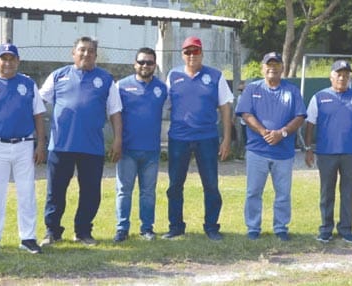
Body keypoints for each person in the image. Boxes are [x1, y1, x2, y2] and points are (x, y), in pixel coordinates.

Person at [39, 36, 122, 246]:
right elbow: (38, 102)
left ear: (96, 54)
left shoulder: (105, 79)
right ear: (73, 52)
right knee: (55, 191)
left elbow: (115, 111)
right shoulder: (58, 76)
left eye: (91, 51)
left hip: (92, 147)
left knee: (91, 192)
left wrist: (118, 139)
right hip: (60, 145)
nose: (86, 54)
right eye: (82, 50)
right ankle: (52, 231)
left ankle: (83, 231)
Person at [0, 43, 46, 254]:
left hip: (24, 145)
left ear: (18, 61)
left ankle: (28, 237)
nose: (8, 62)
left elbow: (38, 115)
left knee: (27, 191)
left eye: (12, 58)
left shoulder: (28, 84)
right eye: (3, 58)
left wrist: (40, 143)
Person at [163, 36, 233, 241]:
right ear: (182, 55)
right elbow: (163, 103)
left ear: (202, 53)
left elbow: (226, 107)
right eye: (187, 52)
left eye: (195, 51)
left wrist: (227, 138)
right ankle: (176, 226)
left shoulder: (215, 76)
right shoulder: (173, 76)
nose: (192, 55)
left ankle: (211, 227)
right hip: (179, 138)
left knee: (210, 184)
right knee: (175, 184)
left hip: (207, 138)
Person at [235, 52, 306, 241]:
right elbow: (245, 114)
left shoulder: (292, 91)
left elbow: (299, 117)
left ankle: (281, 228)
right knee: (253, 192)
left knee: (283, 193)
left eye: (276, 64)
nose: (272, 68)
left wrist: (281, 133)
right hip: (257, 150)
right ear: (262, 68)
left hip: (283, 152)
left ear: (282, 68)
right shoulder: (252, 89)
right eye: (269, 64)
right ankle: (253, 228)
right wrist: (263, 132)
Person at [304, 60, 352, 243]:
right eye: (339, 74)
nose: (342, 78)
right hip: (326, 153)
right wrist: (308, 149)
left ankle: (345, 229)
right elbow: (310, 125)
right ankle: (325, 229)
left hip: (351, 153)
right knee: (326, 191)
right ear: (331, 76)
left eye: (346, 75)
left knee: (348, 192)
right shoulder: (319, 97)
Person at [112, 47, 168, 243]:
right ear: (135, 64)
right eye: (142, 62)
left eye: (150, 62)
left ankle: (147, 228)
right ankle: (122, 229)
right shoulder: (121, 86)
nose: (145, 66)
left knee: (148, 193)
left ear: (155, 65)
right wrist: (116, 141)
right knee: (123, 191)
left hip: (151, 151)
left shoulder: (162, 89)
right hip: (127, 149)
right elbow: (114, 113)